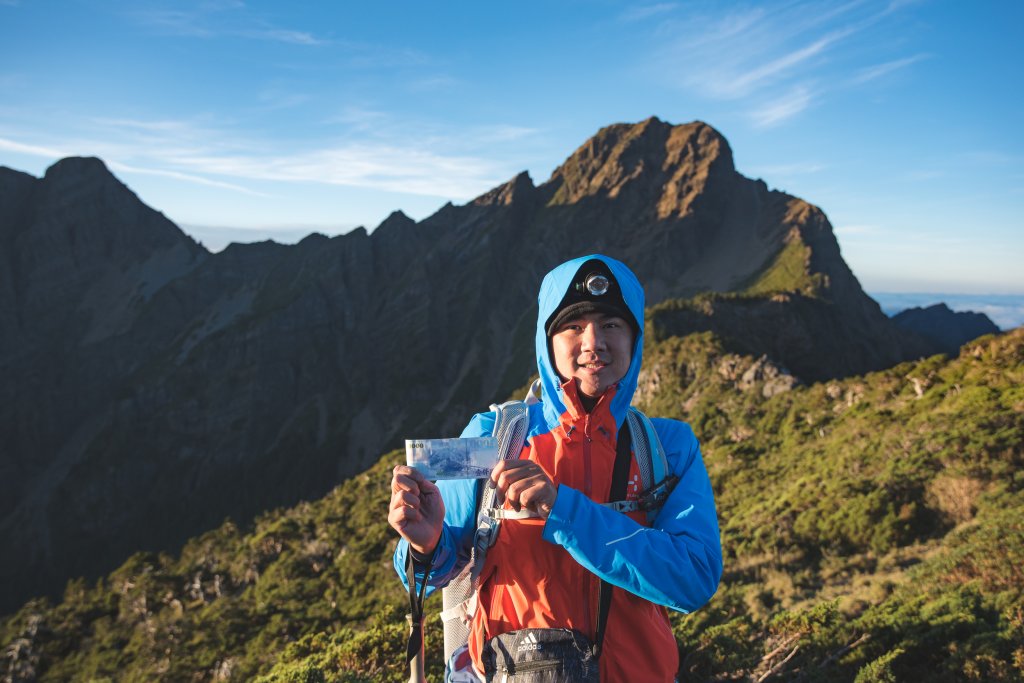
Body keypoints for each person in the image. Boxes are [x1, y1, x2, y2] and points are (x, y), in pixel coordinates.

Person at [389, 254, 722, 682]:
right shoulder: (495, 436)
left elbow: (693, 578)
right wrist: (424, 545)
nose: (593, 343)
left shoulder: (668, 448)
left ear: (635, 339)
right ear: (547, 342)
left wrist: (564, 511)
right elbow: (429, 574)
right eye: (573, 326)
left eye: (611, 325)